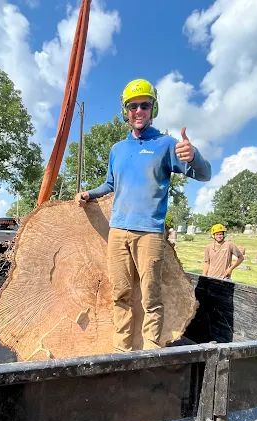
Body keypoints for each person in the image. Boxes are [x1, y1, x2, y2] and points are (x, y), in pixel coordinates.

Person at [75, 78, 211, 352]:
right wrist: (90, 193)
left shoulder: (166, 144)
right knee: (121, 294)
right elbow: (111, 184)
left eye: (145, 105)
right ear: (125, 111)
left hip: (149, 233)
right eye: (133, 106)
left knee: (151, 296)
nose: (139, 111)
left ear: (153, 109)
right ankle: (121, 350)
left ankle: (151, 351)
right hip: (118, 232)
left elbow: (204, 174)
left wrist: (194, 156)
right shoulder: (117, 150)